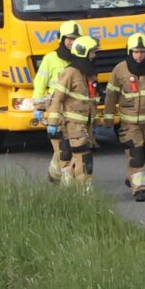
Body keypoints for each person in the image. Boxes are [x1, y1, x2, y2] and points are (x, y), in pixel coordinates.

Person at [107, 34, 145, 201]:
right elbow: (111, 95)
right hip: (129, 123)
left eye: (142, 51)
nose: (139, 55)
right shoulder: (120, 69)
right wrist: (108, 118)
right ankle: (139, 189)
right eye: (136, 51)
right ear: (130, 51)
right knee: (136, 154)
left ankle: (132, 177)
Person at [45, 35, 102, 188]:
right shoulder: (70, 73)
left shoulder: (90, 74)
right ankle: (83, 190)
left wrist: (96, 120)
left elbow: (91, 100)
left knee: (76, 157)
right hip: (72, 124)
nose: (94, 56)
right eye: (92, 52)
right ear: (84, 53)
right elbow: (57, 98)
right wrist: (53, 123)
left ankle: (67, 186)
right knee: (83, 158)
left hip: (85, 124)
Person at [31, 19, 84, 181]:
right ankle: (66, 185)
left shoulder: (82, 61)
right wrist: (39, 108)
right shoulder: (50, 59)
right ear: (61, 39)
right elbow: (39, 84)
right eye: (69, 39)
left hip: (74, 113)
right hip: (56, 111)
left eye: (75, 39)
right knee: (63, 149)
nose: (72, 42)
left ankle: (54, 173)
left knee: (68, 147)